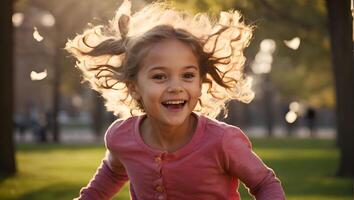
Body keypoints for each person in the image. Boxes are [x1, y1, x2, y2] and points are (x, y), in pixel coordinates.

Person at [66, 0, 285, 199]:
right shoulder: (121, 138)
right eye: (159, 77)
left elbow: (264, 183)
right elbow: (112, 175)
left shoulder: (221, 141)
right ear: (134, 87)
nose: (175, 87)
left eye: (188, 75)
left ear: (200, 82)